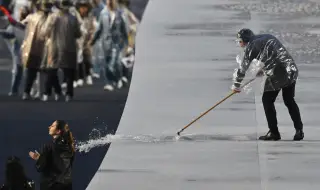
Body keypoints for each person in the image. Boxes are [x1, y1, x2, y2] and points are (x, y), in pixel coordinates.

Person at [232, 28, 304, 141]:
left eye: (239, 41)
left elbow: (242, 69)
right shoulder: (267, 37)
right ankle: (299, 130)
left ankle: (274, 132)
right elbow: (274, 56)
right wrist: (264, 69)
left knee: (267, 100)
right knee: (289, 100)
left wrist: (236, 85)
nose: (239, 43)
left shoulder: (250, 47)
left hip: (278, 74)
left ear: (244, 40)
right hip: (291, 68)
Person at [91, 0, 128, 91]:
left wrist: (126, 42)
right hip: (106, 42)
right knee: (106, 63)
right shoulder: (103, 14)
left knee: (115, 62)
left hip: (117, 42)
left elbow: (123, 28)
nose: (110, 2)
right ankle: (109, 82)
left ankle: (117, 78)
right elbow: (99, 29)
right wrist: (93, 40)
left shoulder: (120, 13)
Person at [29, 120, 75, 190]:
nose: (49, 127)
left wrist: (39, 158)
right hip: (67, 186)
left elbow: (40, 167)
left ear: (58, 131)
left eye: (52, 126)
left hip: (51, 185)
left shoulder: (48, 146)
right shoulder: (70, 147)